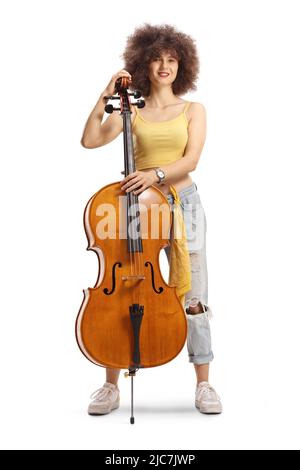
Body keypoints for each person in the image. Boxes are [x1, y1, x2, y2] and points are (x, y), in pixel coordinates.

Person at [81, 23, 222, 415]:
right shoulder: (133, 108)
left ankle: (204, 383)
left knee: (194, 296)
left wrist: (155, 174)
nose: (164, 66)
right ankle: (111, 386)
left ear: (182, 65)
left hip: (182, 204)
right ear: (145, 63)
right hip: (136, 206)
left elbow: (191, 160)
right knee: (123, 288)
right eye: (157, 59)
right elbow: (90, 140)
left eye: (172, 59)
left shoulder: (193, 110)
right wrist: (105, 95)